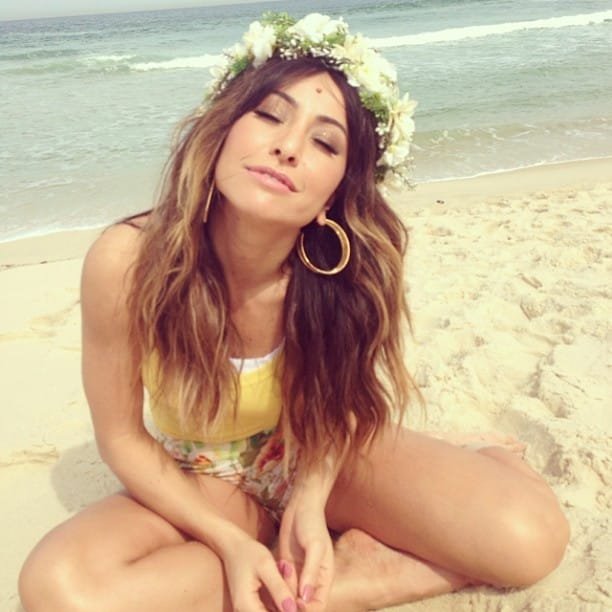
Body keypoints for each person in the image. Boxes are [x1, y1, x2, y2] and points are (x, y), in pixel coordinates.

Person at [19, 12, 569, 612]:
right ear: (225, 127)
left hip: (321, 451)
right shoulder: (128, 261)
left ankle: (392, 532)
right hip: (204, 476)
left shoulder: (349, 273)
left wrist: (309, 501)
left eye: (324, 142)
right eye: (269, 115)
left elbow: (338, 404)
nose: (287, 147)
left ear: (337, 190)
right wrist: (229, 542)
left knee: (529, 541)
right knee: (61, 588)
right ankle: (357, 581)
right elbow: (122, 438)